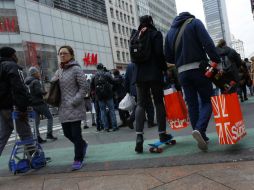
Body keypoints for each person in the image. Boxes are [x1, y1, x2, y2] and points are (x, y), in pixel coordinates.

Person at [164, 12, 221, 151]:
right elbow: (207, 43)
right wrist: (216, 60)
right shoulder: (195, 23)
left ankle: (201, 135)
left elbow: (168, 57)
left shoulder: (170, 32)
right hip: (199, 69)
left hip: (182, 73)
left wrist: (180, 59)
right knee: (208, 100)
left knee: (193, 104)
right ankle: (200, 130)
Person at [131, 15, 173, 153]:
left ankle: (139, 137)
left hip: (139, 74)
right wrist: (164, 69)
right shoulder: (155, 34)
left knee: (141, 104)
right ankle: (162, 133)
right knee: (158, 102)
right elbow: (159, 54)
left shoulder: (135, 35)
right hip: (154, 73)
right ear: (151, 22)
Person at [52, 45, 89, 170]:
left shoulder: (76, 69)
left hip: (75, 107)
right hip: (63, 108)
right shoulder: (59, 71)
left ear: (71, 55)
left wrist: (74, 101)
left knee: (76, 134)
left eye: (65, 53)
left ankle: (78, 159)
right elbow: (54, 86)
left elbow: (84, 87)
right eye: (60, 53)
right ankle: (82, 145)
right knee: (67, 133)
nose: (62, 55)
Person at [0, 47, 33, 156]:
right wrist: (23, 108)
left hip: (2, 108)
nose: (16, 57)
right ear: (11, 55)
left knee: (2, 136)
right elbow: (19, 88)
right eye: (15, 55)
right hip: (13, 107)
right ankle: (34, 158)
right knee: (26, 133)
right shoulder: (12, 66)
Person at [25, 66, 57, 143]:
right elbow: (38, 92)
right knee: (50, 117)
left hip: (32, 104)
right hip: (40, 103)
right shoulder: (35, 81)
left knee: (36, 122)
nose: (39, 74)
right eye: (37, 72)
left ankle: (37, 137)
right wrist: (46, 92)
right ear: (34, 74)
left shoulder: (27, 83)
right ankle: (49, 134)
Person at [124, 62, 157, 129]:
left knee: (139, 104)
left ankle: (132, 119)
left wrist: (127, 90)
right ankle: (150, 122)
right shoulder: (142, 63)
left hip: (133, 89)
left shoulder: (129, 66)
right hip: (143, 87)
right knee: (148, 105)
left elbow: (126, 79)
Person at [90, 63, 118, 132]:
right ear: (103, 67)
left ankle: (106, 127)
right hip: (108, 95)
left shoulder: (94, 76)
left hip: (99, 96)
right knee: (112, 110)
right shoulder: (107, 74)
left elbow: (91, 87)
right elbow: (113, 82)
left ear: (97, 68)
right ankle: (114, 126)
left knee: (102, 111)